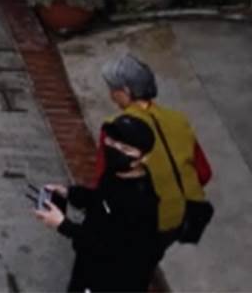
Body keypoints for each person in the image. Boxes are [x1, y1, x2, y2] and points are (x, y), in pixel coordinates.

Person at [100, 54, 212, 268]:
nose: (111, 94)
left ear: (126, 92)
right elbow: (203, 173)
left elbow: (103, 179)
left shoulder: (115, 128)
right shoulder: (178, 119)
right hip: (181, 216)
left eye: (113, 89)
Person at [35, 114, 164, 292]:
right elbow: (100, 199)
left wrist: (63, 225)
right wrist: (69, 193)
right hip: (88, 270)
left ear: (143, 158)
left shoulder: (139, 203)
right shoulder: (116, 173)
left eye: (125, 148)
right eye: (111, 142)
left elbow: (106, 246)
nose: (114, 149)